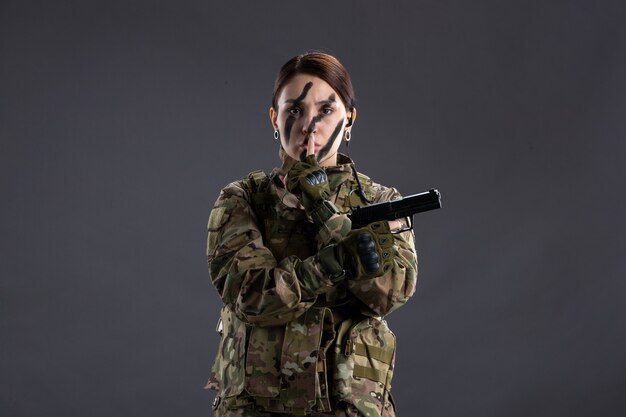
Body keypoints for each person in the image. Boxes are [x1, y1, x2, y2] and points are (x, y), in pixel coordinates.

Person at [205, 51, 418, 417]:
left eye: (325, 110)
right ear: (274, 118)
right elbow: (252, 296)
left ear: (349, 119)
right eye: (295, 110)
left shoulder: (381, 202)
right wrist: (329, 264)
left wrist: (325, 213)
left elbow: (391, 292)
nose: (309, 124)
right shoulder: (244, 198)